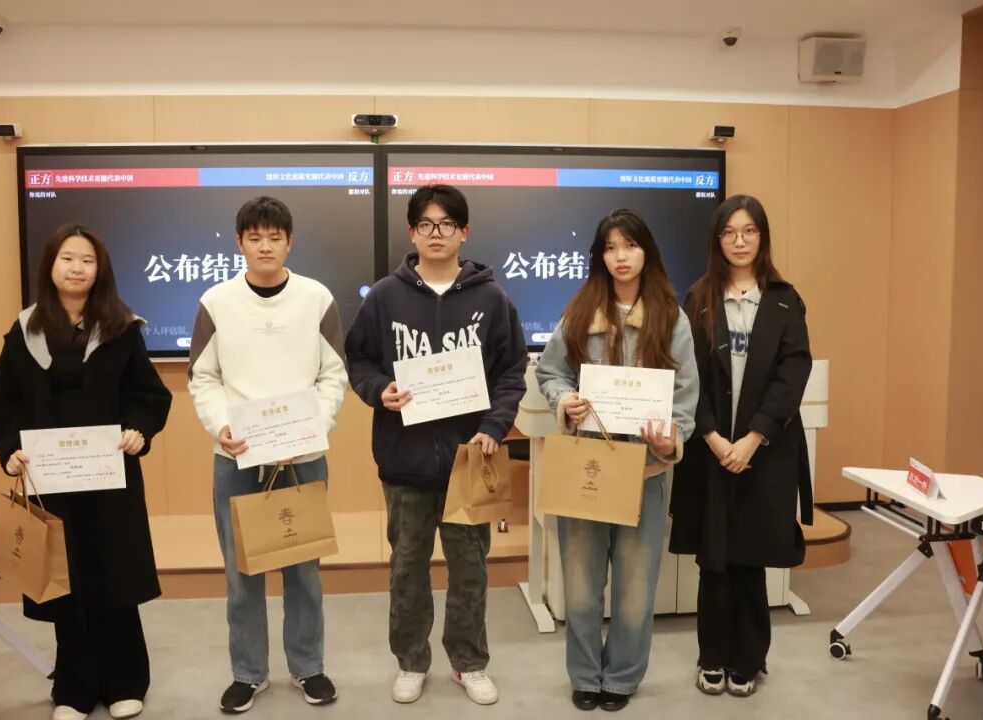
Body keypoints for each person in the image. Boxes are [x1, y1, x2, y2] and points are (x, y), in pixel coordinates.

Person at [0, 224, 172, 720]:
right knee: (65, 580)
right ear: (50, 266)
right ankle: (75, 688)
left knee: (114, 575)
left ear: (99, 269)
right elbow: (0, 404)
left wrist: (139, 430)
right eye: (68, 258)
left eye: (87, 260)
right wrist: (10, 450)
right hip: (52, 481)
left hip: (110, 479)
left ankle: (126, 680)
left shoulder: (121, 328)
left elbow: (147, 394)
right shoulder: (26, 332)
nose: (77, 268)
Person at [344, 184, 527, 706]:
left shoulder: (492, 299)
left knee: (470, 569)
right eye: (425, 224)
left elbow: (512, 371)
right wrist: (380, 390)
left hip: (471, 461)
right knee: (407, 568)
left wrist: (494, 427)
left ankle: (469, 662)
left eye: (447, 224)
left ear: (463, 232)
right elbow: (359, 360)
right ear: (412, 233)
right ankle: (411, 661)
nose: (436, 233)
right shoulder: (385, 297)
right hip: (405, 463)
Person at [188, 196, 347, 714]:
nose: (264, 246)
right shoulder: (216, 301)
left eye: (274, 237)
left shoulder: (316, 298)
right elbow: (203, 377)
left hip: (302, 456)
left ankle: (308, 667)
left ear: (289, 242)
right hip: (236, 457)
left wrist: (313, 426)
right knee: (242, 573)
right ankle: (248, 673)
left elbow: (333, 375)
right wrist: (222, 426)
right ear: (239, 243)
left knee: (304, 570)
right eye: (254, 237)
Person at [536, 208, 699, 712]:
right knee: (581, 586)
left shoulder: (671, 318)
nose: (620, 256)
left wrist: (670, 439)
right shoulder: (581, 311)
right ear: (599, 256)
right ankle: (586, 675)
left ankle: (623, 678)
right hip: (587, 466)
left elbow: (685, 399)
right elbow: (551, 373)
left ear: (646, 251)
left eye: (629, 245)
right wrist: (564, 401)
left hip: (646, 472)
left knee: (635, 589)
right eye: (610, 248)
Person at [670, 194, 814, 698]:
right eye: (729, 232)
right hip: (710, 451)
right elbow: (687, 374)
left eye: (749, 231)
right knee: (714, 559)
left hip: (764, 452)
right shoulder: (699, 297)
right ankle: (711, 657)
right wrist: (712, 436)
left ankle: (748, 660)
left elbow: (793, 373)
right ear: (717, 239)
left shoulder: (784, 299)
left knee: (750, 559)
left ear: (762, 237)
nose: (739, 241)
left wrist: (753, 438)